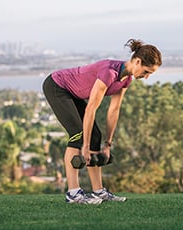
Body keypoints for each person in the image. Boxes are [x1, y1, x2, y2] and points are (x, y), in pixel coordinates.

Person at [42, 39, 162, 204]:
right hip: (57, 86)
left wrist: (108, 144)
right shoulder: (109, 73)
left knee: (95, 137)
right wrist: (84, 146)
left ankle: (99, 191)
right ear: (138, 61)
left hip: (73, 94)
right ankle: (73, 193)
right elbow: (91, 108)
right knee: (78, 135)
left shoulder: (126, 79)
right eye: (147, 71)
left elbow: (114, 111)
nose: (147, 77)